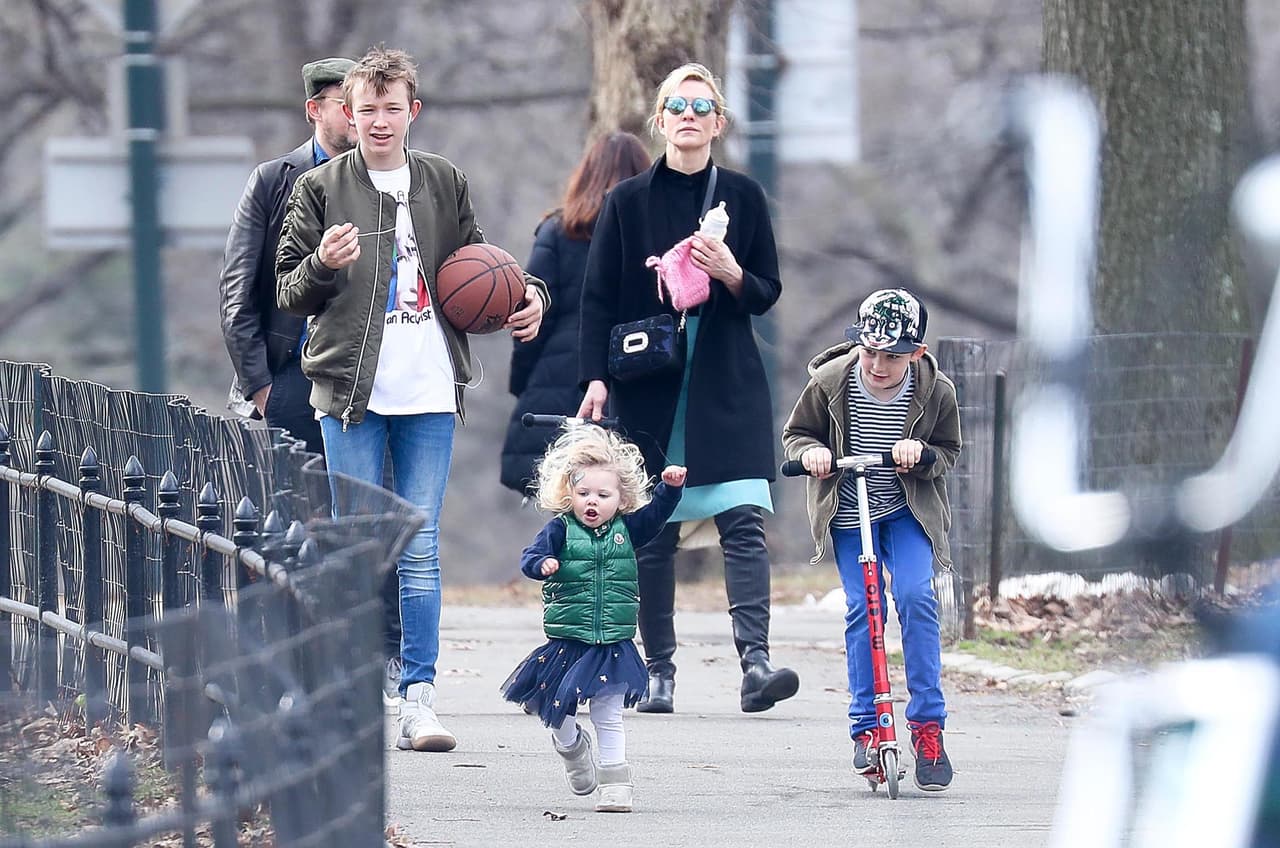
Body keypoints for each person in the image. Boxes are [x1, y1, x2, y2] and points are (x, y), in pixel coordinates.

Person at [275, 46, 549, 753]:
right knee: (358, 547)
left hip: (429, 387)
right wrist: (321, 264)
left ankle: (418, 698)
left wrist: (531, 298)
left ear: (411, 111)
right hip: (349, 391)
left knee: (420, 547)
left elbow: (483, 265)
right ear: (346, 112)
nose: (378, 122)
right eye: (365, 110)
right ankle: (353, 689)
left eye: (391, 109)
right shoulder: (320, 188)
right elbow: (287, 291)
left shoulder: (442, 181)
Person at [577, 62, 798, 714]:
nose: (690, 116)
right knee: (654, 533)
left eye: (703, 106)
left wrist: (730, 271)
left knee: (743, 520)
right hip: (650, 385)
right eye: (678, 104)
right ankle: (661, 672)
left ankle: (755, 663)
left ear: (720, 122)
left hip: (725, 380)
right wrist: (593, 378)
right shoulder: (627, 202)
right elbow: (598, 298)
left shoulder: (745, 197)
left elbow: (766, 293)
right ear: (660, 119)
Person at [219, 57, 405, 708]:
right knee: (287, 518)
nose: (361, 116)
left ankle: (380, 657)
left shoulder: (394, 179)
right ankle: (286, 659)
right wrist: (259, 385)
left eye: (372, 103)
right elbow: (239, 291)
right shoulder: (275, 180)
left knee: (369, 511)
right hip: (291, 378)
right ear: (317, 110)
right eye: (345, 102)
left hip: (365, 378)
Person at [781, 288, 961, 792]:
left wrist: (922, 454)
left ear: (917, 353)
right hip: (850, 509)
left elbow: (949, 449)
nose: (879, 364)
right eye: (871, 351)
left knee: (916, 597)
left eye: (894, 355)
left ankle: (928, 726)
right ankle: (866, 725)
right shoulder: (831, 382)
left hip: (906, 510)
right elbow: (797, 435)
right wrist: (813, 453)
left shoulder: (935, 390)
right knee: (865, 606)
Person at [501, 424, 686, 812]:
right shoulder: (559, 530)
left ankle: (616, 781)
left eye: (603, 495)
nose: (592, 501)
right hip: (567, 641)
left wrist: (670, 490)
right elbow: (528, 558)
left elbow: (655, 519)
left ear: (621, 499)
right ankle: (572, 748)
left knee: (608, 712)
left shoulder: (627, 530)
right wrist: (543, 564)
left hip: (613, 642)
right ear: (568, 494)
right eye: (583, 493)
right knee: (552, 709)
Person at [499, 132, 651, 496]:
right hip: (637, 380)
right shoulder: (651, 234)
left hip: (561, 382)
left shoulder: (557, 230)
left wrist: (523, 384)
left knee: (570, 504)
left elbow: (532, 316)